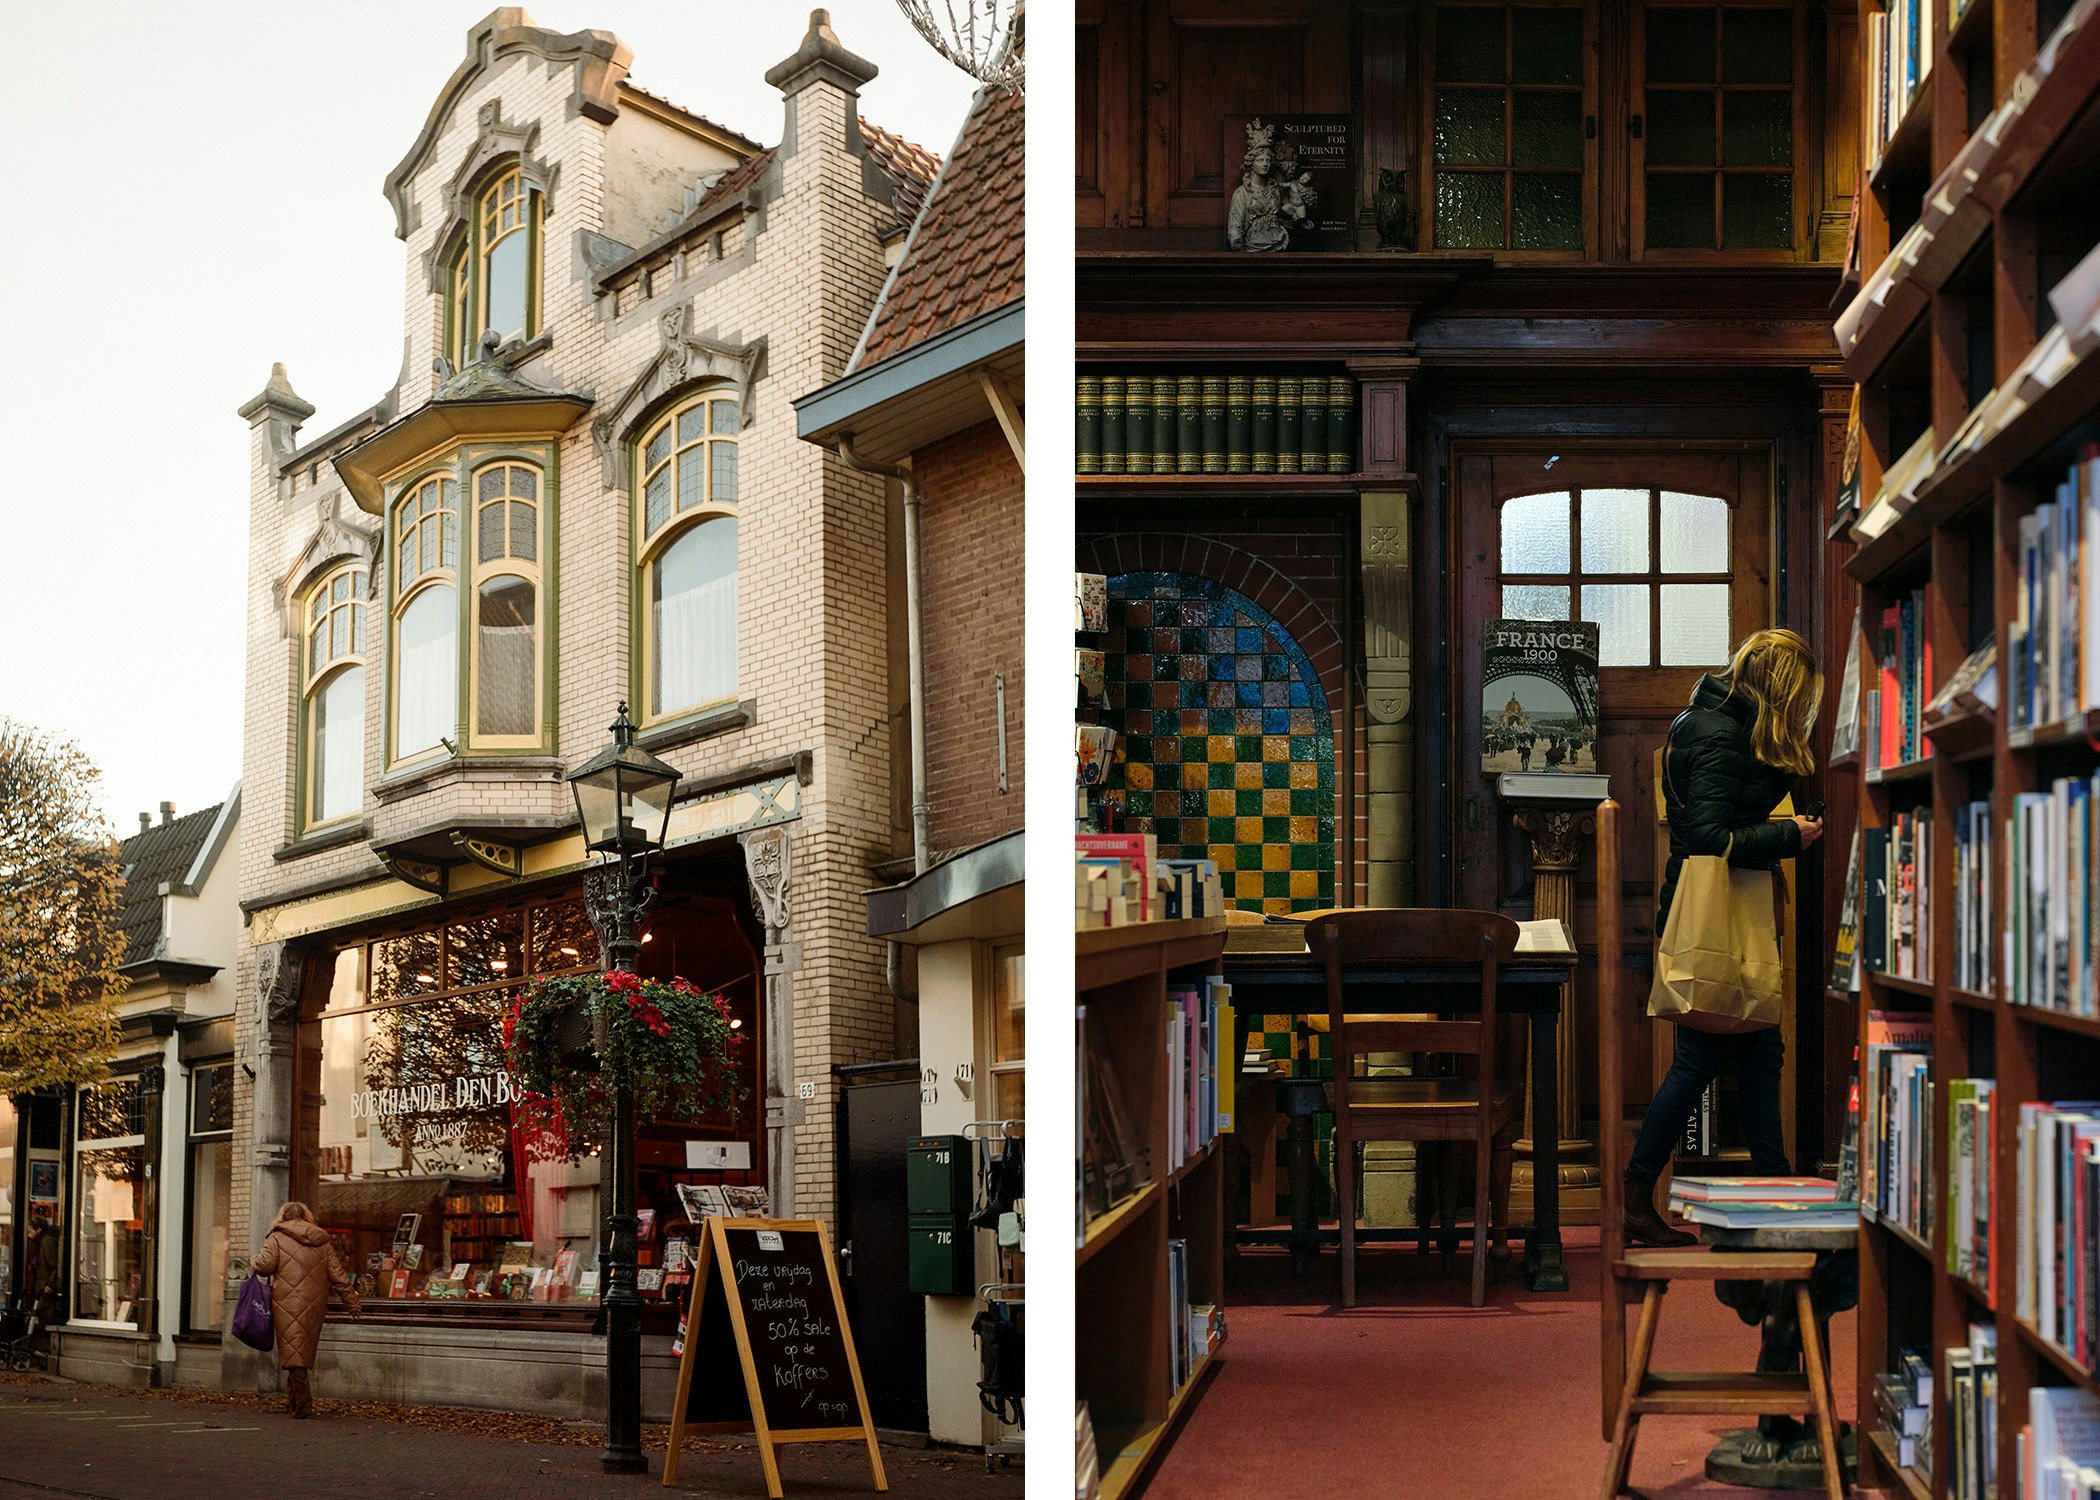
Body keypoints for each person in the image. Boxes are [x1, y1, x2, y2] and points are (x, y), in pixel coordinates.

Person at [1625, 628, 1825, 1248]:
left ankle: (1770, 1194)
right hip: (1713, 914)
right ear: (1780, 690)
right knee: (1702, 1061)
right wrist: (1789, 835)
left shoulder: (1720, 725)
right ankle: (1639, 1196)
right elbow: (1709, 837)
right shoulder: (1720, 734)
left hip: (1724, 912)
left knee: (1754, 1057)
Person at [248, 1202, 359, 1417]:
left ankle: (303, 1403)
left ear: (282, 1217)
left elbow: (265, 1266)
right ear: (307, 1217)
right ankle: (293, 1402)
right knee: (298, 1349)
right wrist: (352, 1303)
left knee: (292, 1350)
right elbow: (338, 1275)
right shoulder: (323, 1241)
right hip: (315, 1303)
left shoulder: (277, 1237)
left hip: (286, 1302)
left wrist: (253, 1260)